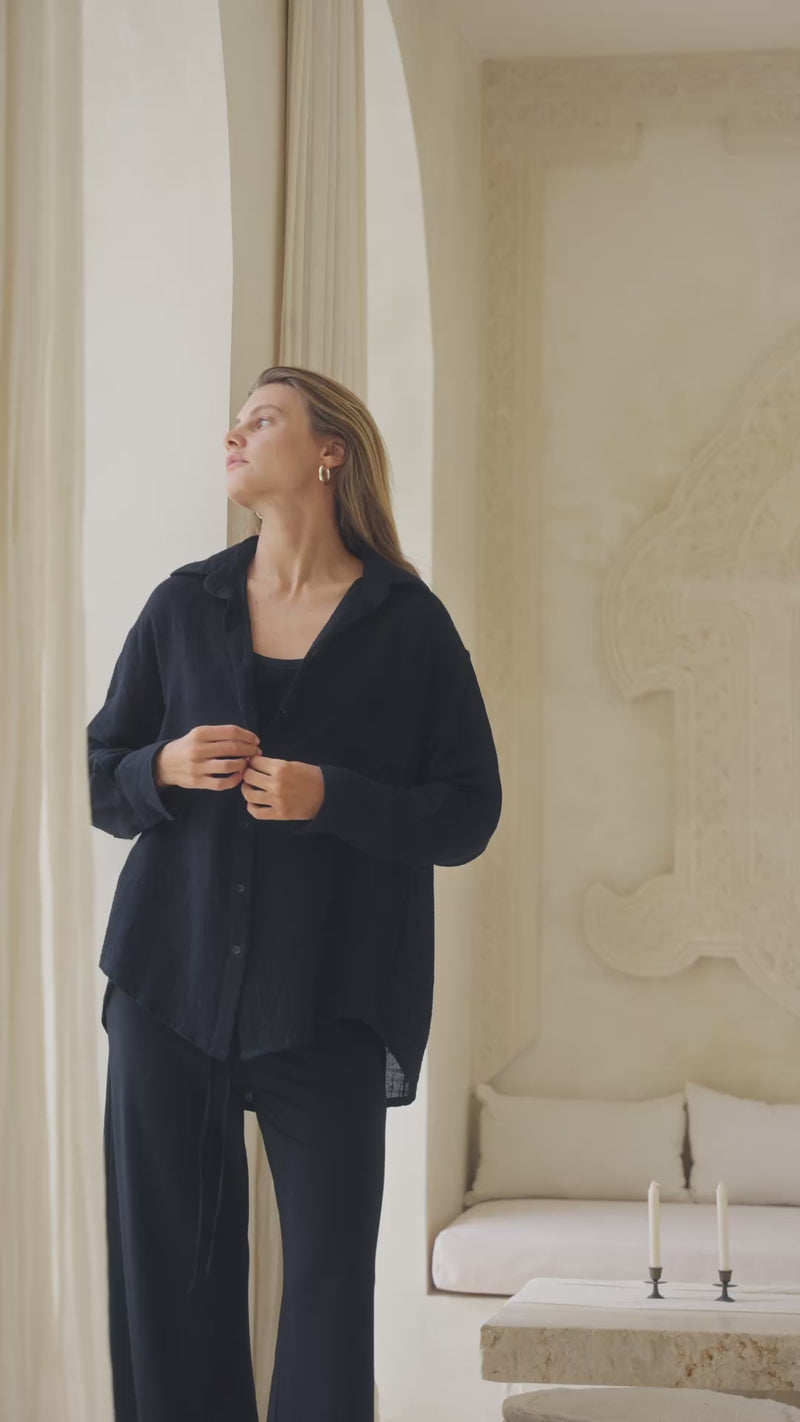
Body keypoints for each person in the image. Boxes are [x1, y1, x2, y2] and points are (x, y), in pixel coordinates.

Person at [88, 365, 503, 1421]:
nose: (235, 433)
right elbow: (102, 773)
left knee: (323, 1295)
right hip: (167, 990)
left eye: (261, 419)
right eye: (233, 422)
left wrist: (335, 797)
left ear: (330, 453)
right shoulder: (184, 605)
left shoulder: (407, 626)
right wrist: (163, 769)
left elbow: (467, 812)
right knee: (168, 1287)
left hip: (327, 1003)